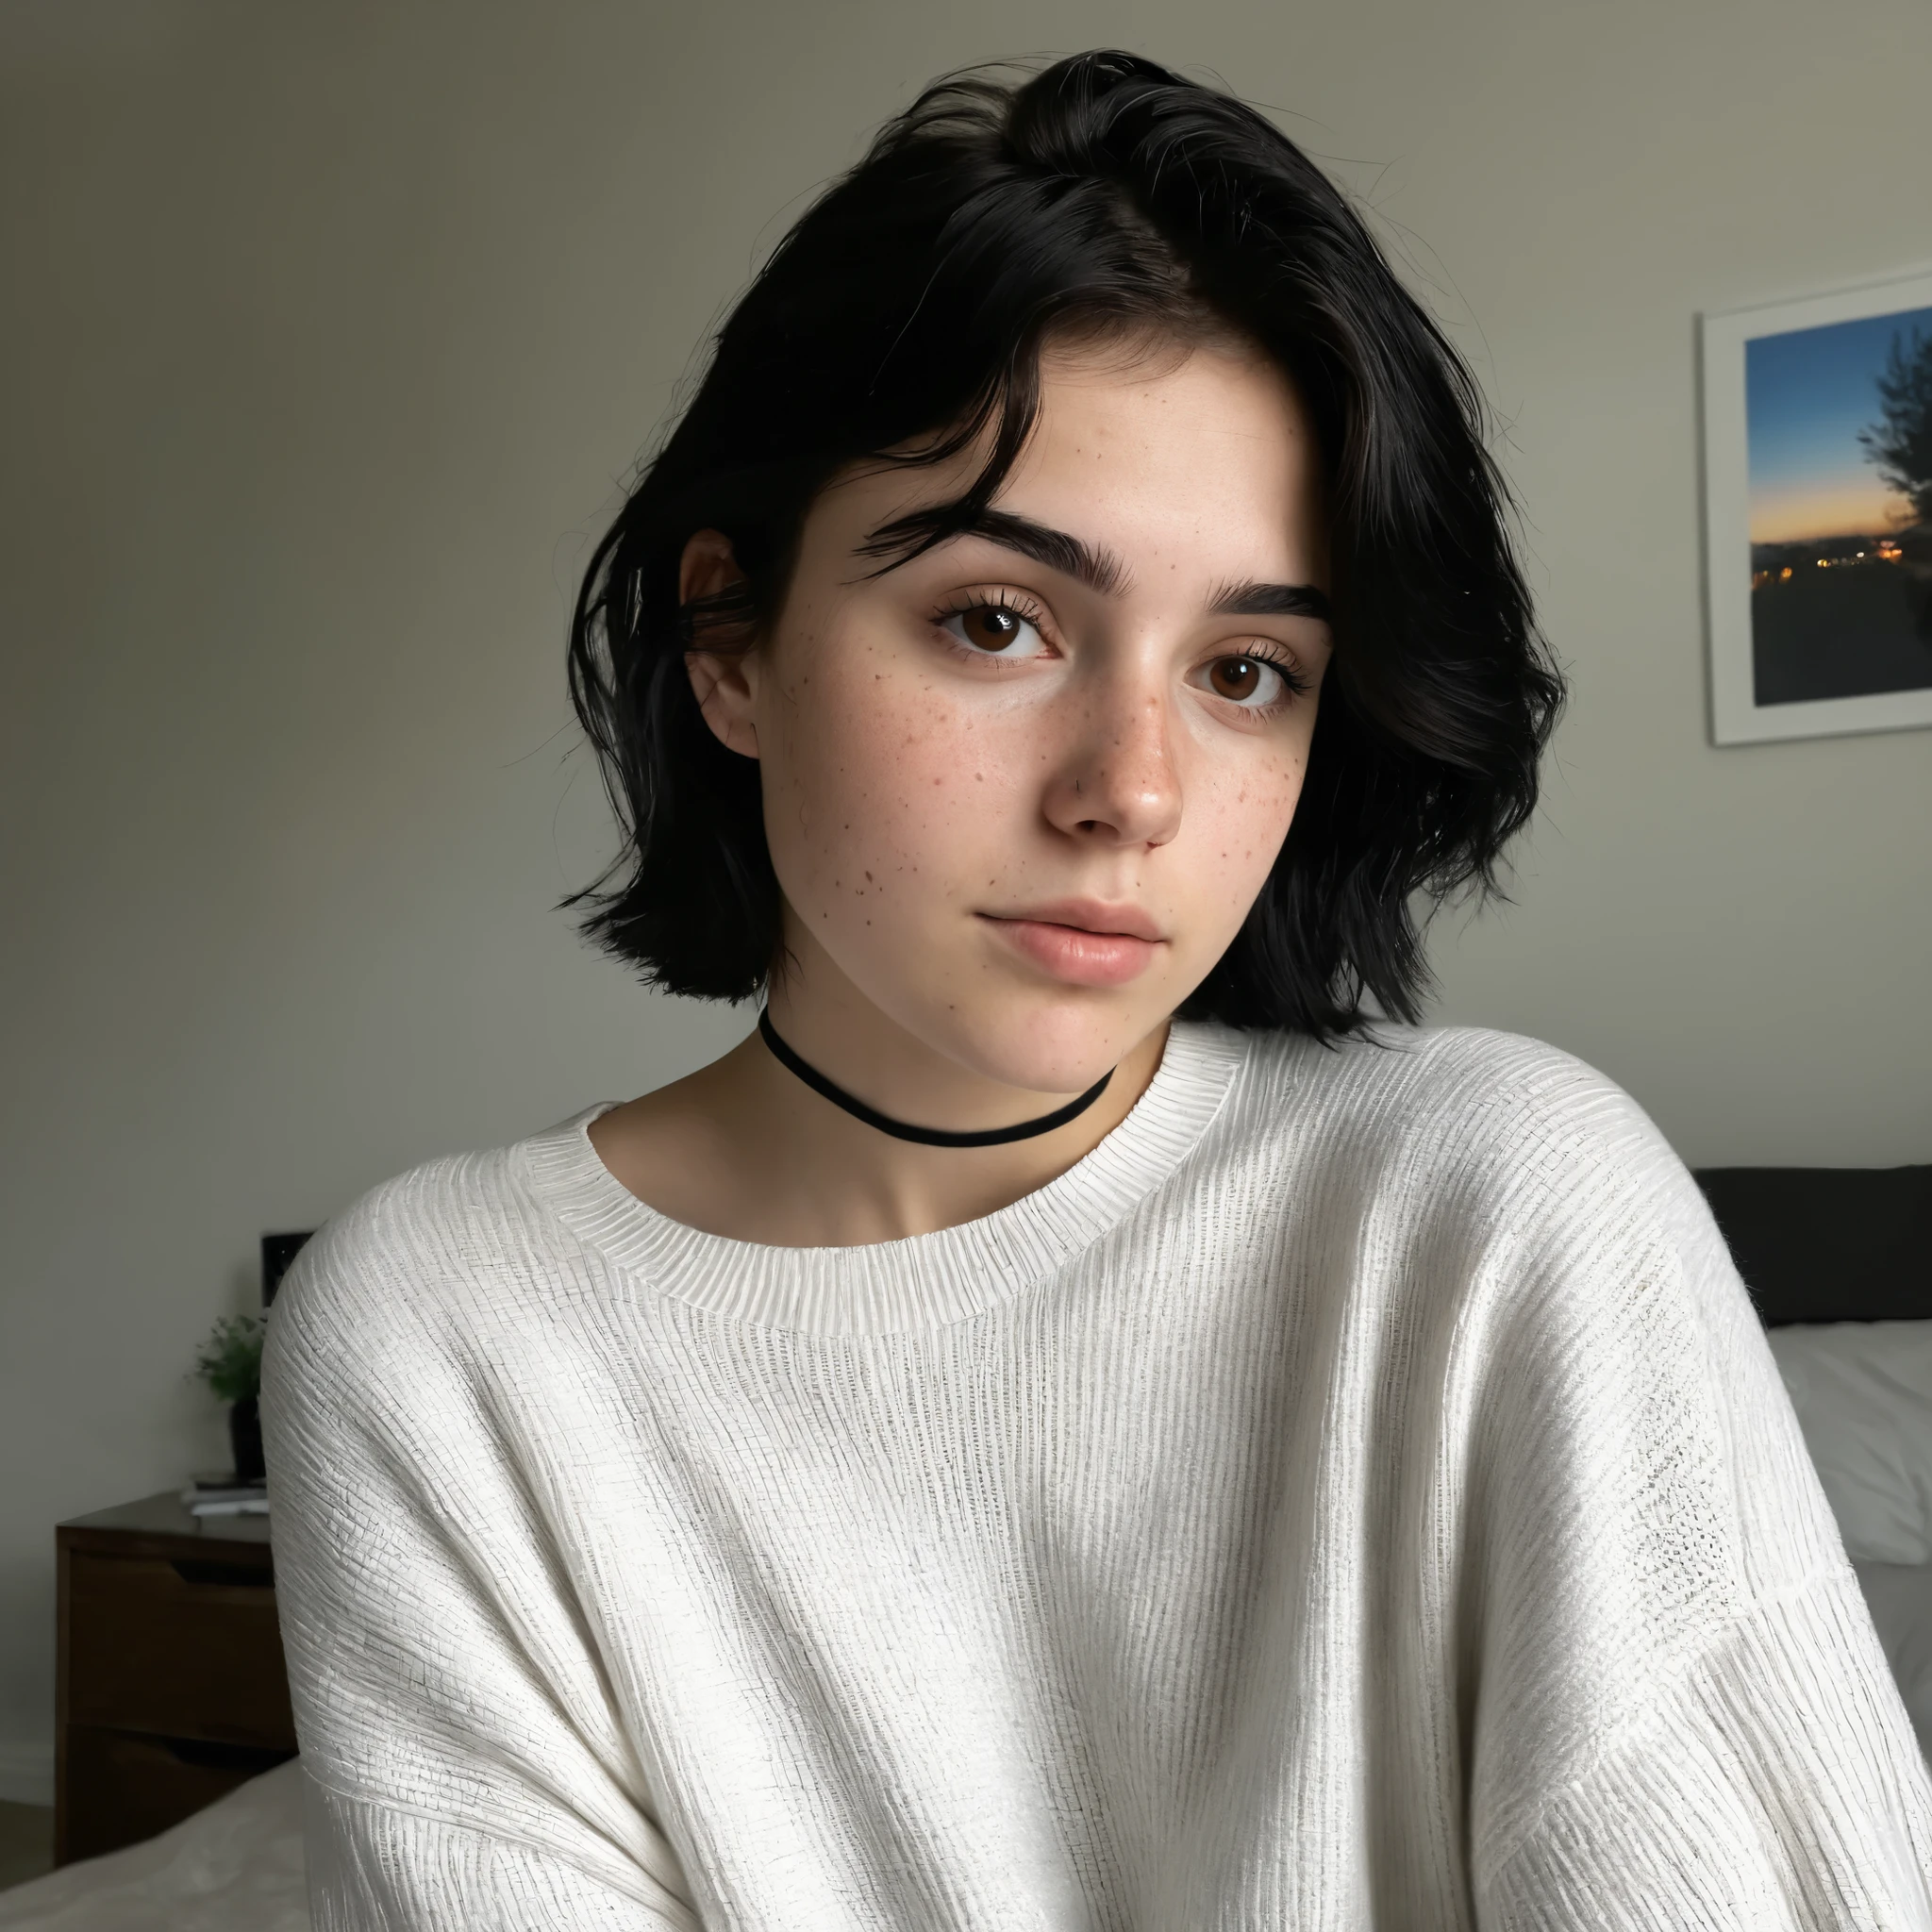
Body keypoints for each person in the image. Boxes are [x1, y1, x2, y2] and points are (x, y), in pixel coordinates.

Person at [261, 50, 1932, 1931]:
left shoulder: (1501, 1213)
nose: (1131, 788)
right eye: (997, 621)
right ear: (728, 637)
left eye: (1245, 671)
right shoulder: (445, 1335)